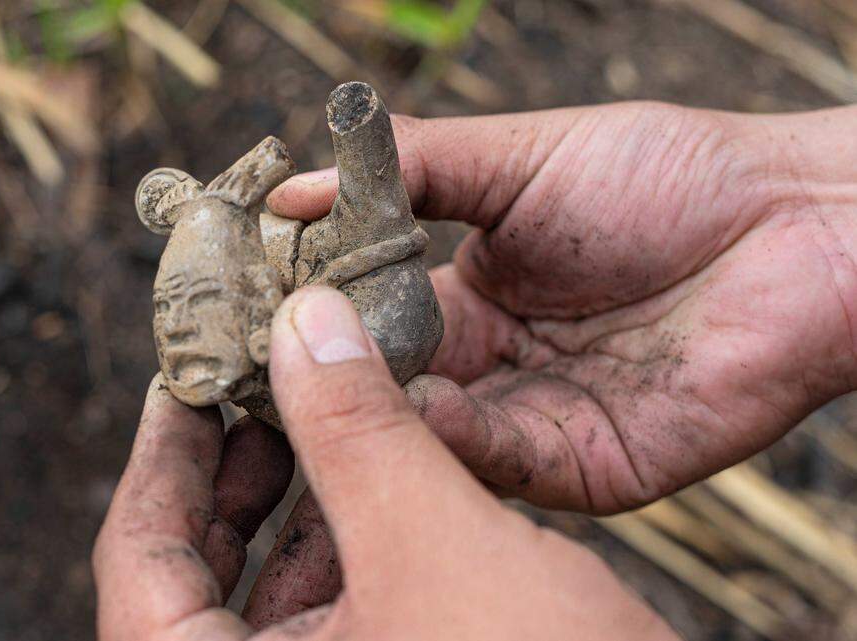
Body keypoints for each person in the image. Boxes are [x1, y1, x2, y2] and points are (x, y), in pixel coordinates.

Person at [93, 102, 856, 640]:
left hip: (367, 299)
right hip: (343, 308)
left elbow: (273, 171)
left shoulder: (228, 219)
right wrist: (799, 199)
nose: (167, 203)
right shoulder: (211, 235)